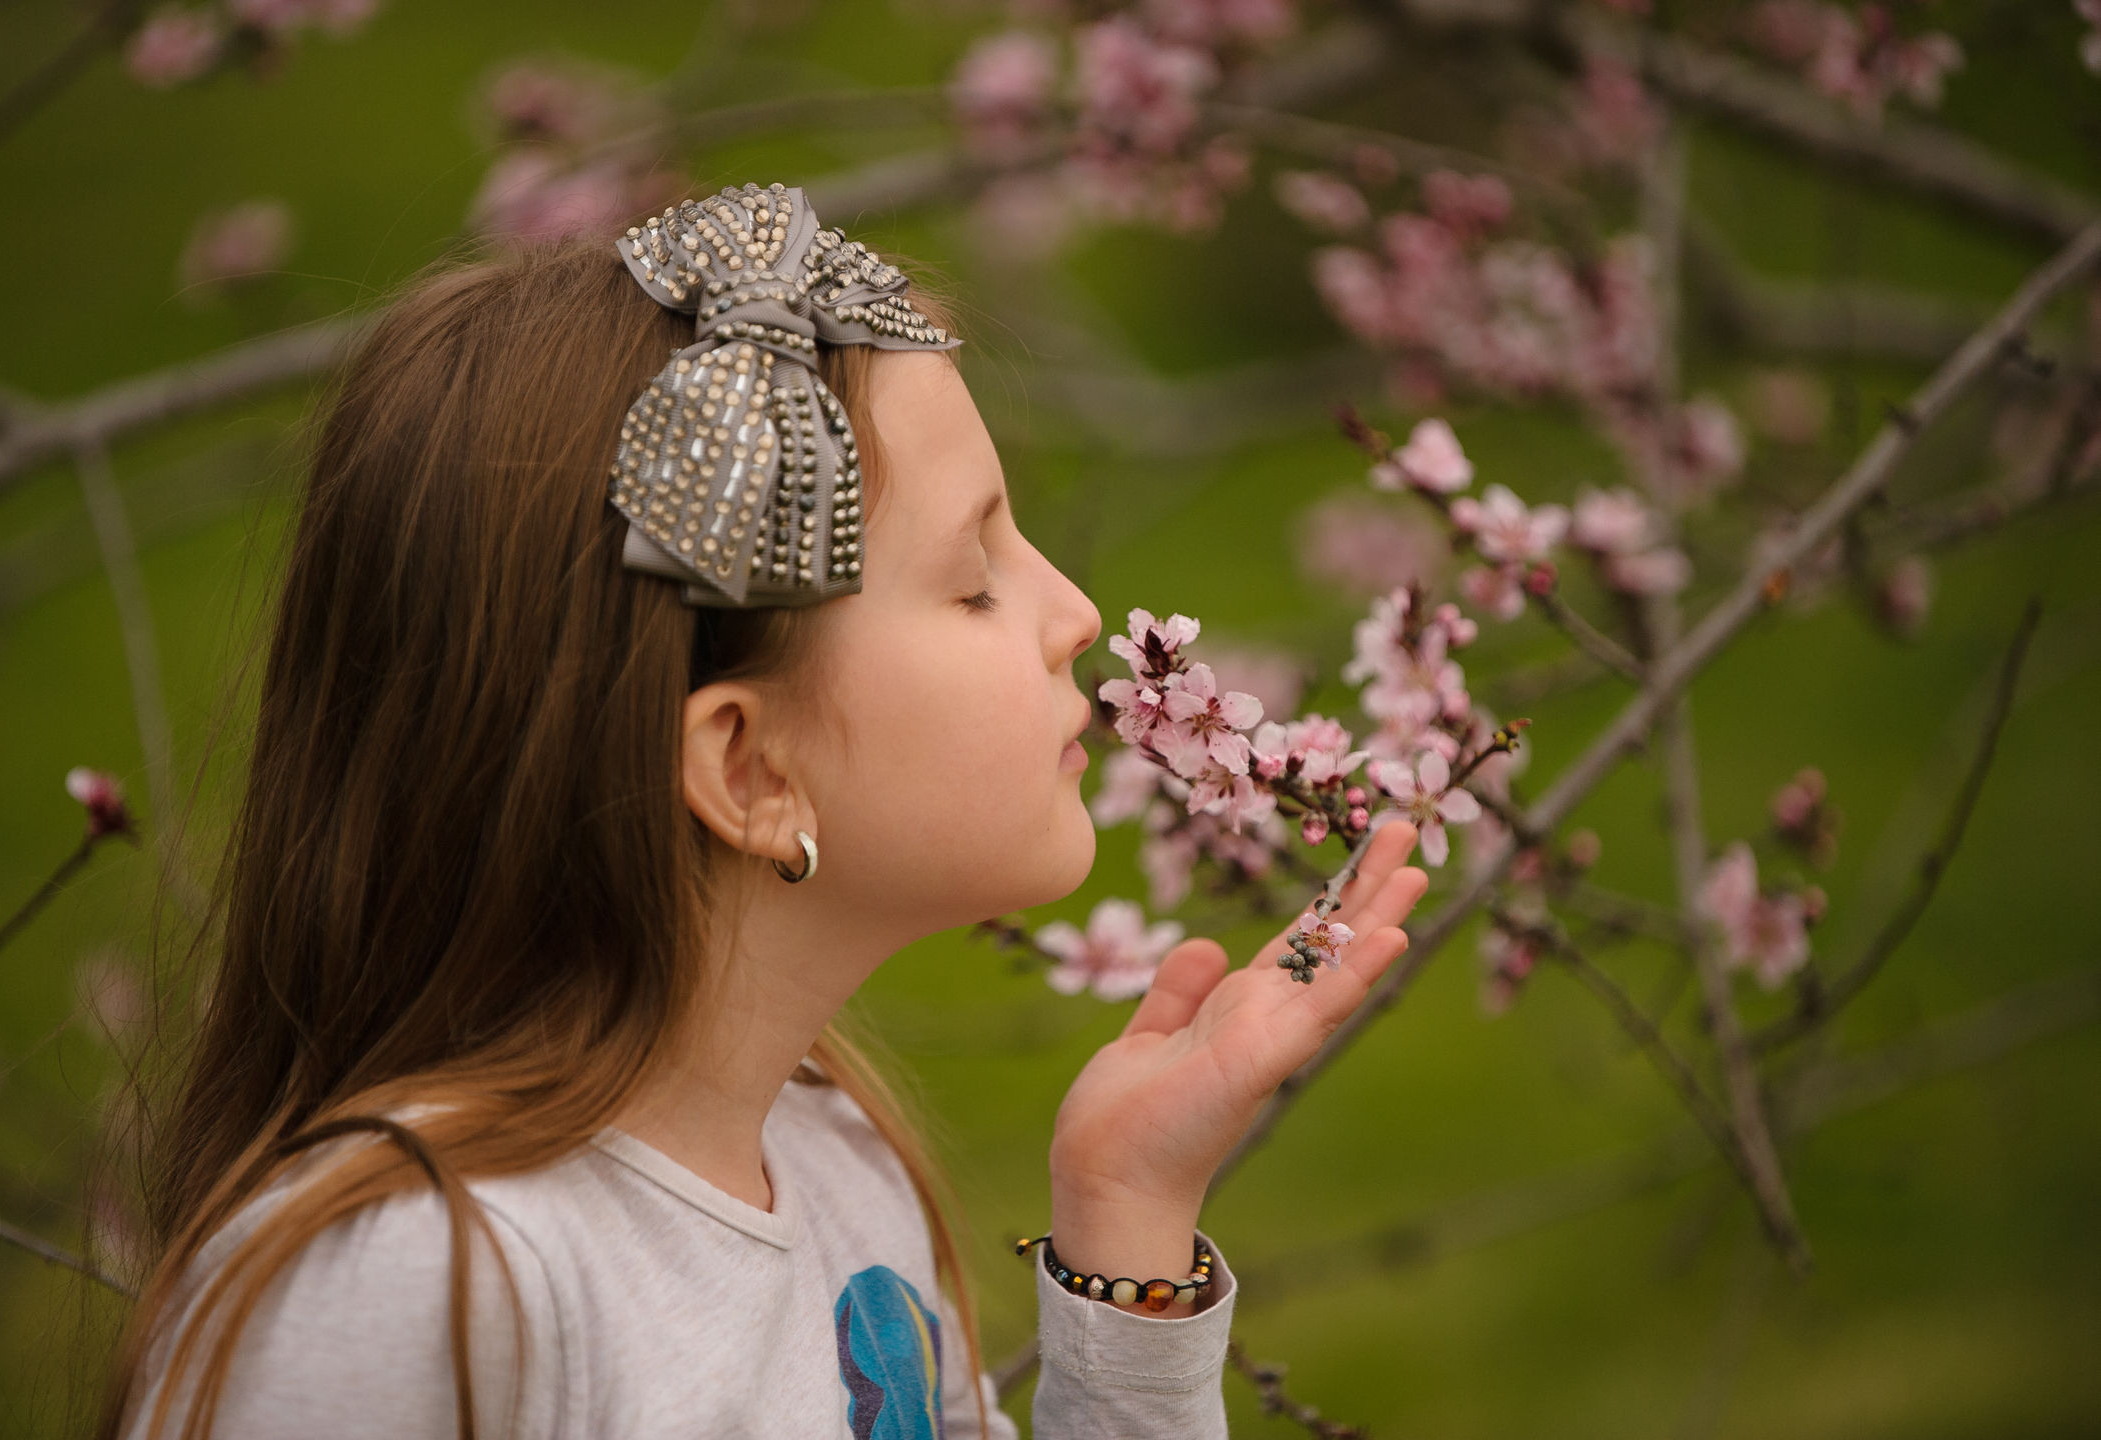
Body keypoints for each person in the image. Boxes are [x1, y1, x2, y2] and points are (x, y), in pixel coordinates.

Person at [99, 184, 1430, 1440]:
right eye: (974, 577)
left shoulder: (837, 1165)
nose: (1075, 613)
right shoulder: (413, 1286)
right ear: (747, 771)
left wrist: (1126, 1215)